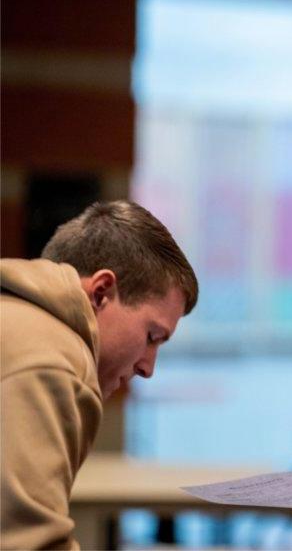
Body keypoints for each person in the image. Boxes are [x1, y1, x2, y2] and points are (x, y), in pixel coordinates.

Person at [1, 200, 198, 550]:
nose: (148, 368)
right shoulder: (56, 360)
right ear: (101, 292)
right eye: (152, 337)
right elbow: (30, 544)